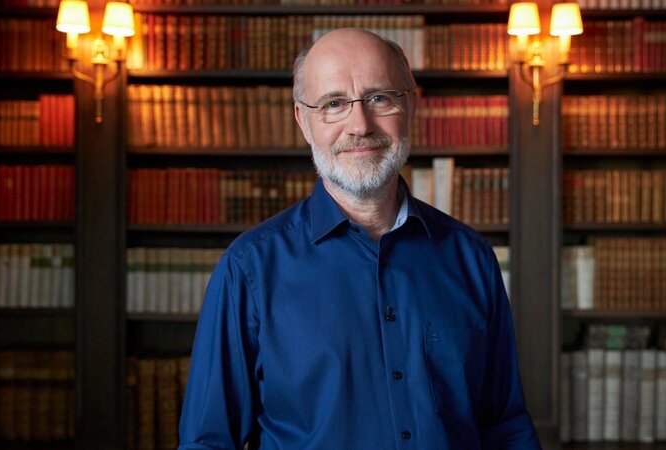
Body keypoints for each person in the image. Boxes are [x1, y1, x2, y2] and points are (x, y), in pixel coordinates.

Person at [178, 28, 541, 449]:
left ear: (411, 105)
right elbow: (208, 442)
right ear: (303, 121)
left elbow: (505, 426)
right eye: (334, 104)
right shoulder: (249, 269)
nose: (360, 125)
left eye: (379, 98)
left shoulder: (471, 258)